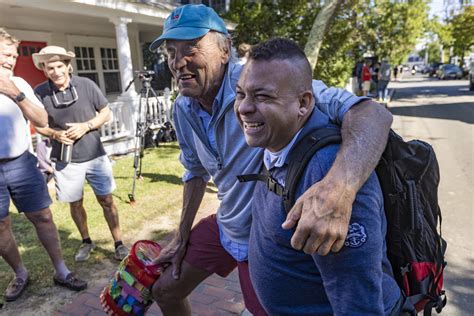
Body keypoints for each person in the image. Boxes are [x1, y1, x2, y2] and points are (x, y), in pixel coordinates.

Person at [148, 4, 392, 316]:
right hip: (228, 224)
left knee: (267, 303)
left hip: (268, 233)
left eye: (191, 48)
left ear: (225, 51)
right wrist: (182, 235)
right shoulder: (183, 107)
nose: (178, 61)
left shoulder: (261, 77)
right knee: (165, 290)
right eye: (171, 50)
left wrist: (338, 190)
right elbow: (194, 172)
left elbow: (372, 113)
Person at [235, 37, 402, 316]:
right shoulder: (278, 141)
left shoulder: (326, 170)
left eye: (263, 96)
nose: (243, 108)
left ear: (303, 103)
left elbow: (359, 305)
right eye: (241, 94)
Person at [0, 28, 87, 302]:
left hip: (21, 163)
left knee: (43, 217)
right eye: (5, 54)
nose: (10, 60)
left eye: (13, 56)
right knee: (0, 226)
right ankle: (20, 273)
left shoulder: (20, 84)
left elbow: (42, 121)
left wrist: (16, 94)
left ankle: (61, 271)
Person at [33, 46, 129, 262]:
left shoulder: (86, 85)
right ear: (44, 70)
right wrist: (55, 134)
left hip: (94, 154)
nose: (56, 71)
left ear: (68, 66)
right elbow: (38, 126)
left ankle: (119, 243)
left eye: (60, 66)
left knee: (106, 200)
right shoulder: (39, 93)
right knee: (75, 202)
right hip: (65, 159)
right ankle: (86, 241)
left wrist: (86, 126)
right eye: (50, 68)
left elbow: (105, 112)